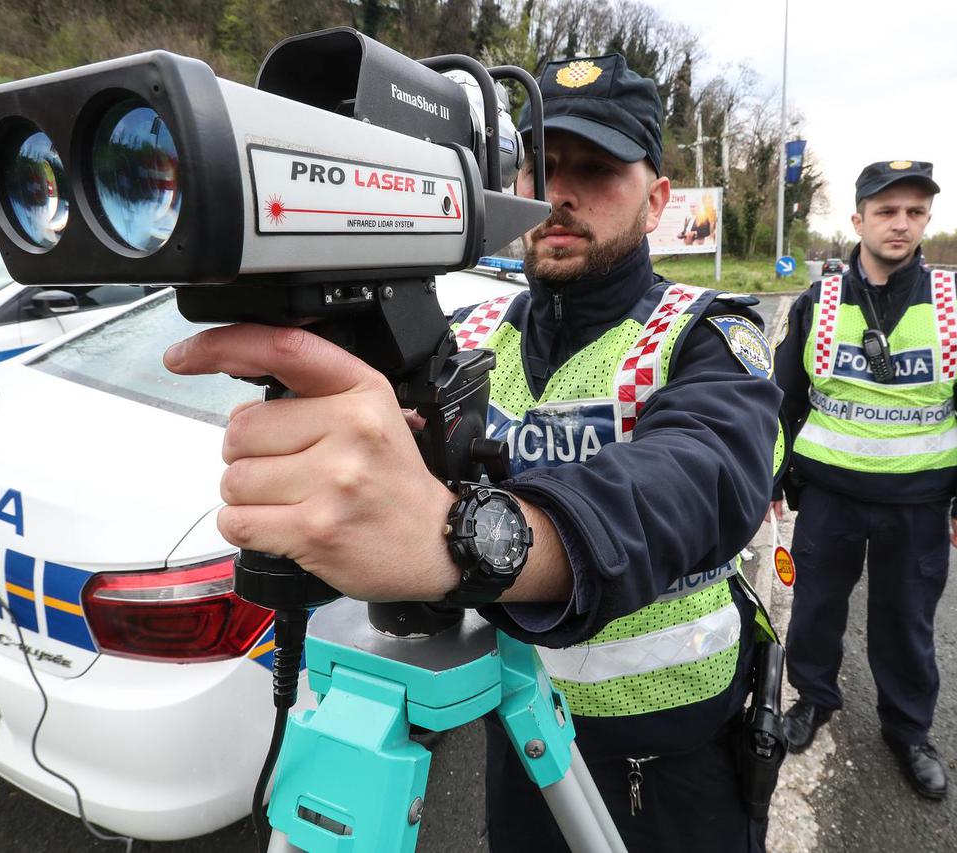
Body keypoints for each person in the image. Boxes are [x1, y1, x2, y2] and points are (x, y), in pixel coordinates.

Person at [164, 53, 782, 852]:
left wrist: (465, 539)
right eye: (542, 163)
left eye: (597, 169)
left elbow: (700, 480)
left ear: (658, 199)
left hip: (667, 750)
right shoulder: (479, 337)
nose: (560, 192)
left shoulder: (704, 336)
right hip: (521, 722)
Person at [769, 160, 957, 801]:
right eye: (886, 211)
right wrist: (767, 480)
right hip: (829, 498)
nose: (900, 224)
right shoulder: (817, 301)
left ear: (926, 218)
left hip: (918, 502)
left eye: (914, 212)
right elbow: (782, 400)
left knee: (906, 623)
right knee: (815, 611)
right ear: (859, 219)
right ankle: (814, 701)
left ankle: (908, 731)